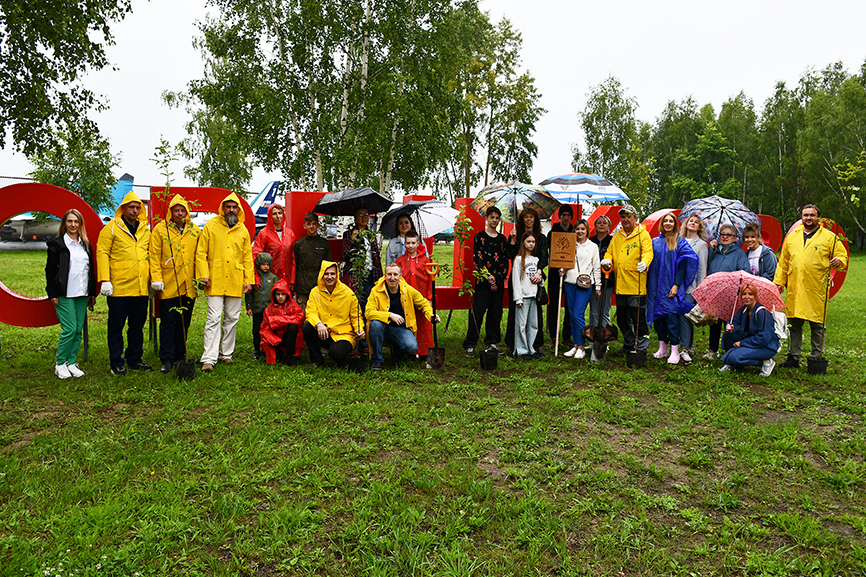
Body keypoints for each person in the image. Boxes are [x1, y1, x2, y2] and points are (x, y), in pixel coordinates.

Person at [773, 204, 848, 368]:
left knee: (817, 325)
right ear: (801, 217)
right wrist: (779, 282)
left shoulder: (829, 237)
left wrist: (839, 261)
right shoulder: (793, 236)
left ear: (818, 218)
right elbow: (783, 262)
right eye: (805, 215)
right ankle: (793, 357)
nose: (808, 218)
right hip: (795, 287)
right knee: (794, 324)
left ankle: (816, 356)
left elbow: (842, 256)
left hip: (816, 287)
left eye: (812, 215)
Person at [195, 192, 254, 372]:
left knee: (232, 318)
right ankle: (209, 358)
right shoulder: (211, 225)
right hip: (215, 279)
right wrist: (203, 274)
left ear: (238, 209)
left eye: (234, 207)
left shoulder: (243, 230)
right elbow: (201, 252)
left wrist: (248, 280)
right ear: (222, 208)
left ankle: (226, 354)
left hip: (236, 280)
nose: (231, 210)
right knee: (213, 318)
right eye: (228, 207)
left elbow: (247, 258)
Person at [96, 191, 152, 375]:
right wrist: (105, 279)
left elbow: (151, 256)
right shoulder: (111, 228)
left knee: (137, 327)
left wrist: (151, 281)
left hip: (140, 288)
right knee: (116, 327)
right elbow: (102, 252)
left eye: (138, 208)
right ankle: (116, 362)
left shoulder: (145, 229)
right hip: (118, 288)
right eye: (131, 207)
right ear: (123, 208)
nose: (135, 211)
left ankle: (134, 359)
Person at [149, 194, 200, 373]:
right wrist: (156, 278)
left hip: (188, 285)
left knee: (184, 322)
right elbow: (154, 255)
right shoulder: (160, 230)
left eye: (182, 210)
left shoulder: (194, 230)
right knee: (168, 323)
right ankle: (166, 358)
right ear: (170, 212)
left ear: (187, 211)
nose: (179, 213)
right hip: (169, 284)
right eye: (176, 210)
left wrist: (200, 277)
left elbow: (200, 255)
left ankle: (180, 355)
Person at [45, 209, 97, 379]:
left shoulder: (86, 244)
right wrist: (51, 292)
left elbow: (91, 270)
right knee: (69, 329)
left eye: (76, 221)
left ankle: (71, 362)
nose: (73, 225)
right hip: (64, 292)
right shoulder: (57, 245)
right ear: (64, 224)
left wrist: (92, 292)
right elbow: (50, 270)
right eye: (70, 221)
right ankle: (60, 363)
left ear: (80, 224)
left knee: (78, 330)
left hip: (82, 292)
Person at [601, 204, 653, 355]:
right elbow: (610, 252)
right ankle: (629, 344)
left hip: (636, 284)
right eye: (622, 217)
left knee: (638, 319)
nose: (625, 219)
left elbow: (648, 252)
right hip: (620, 284)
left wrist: (645, 262)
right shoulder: (617, 235)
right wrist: (607, 260)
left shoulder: (643, 235)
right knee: (622, 319)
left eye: (628, 216)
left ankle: (641, 347)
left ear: (635, 218)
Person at [647, 212, 698, 365]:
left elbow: (683, 265)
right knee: (659, 318)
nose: (668, 223)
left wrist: (676, 285)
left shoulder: (680, 242)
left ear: (675, 225)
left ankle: (675, 350)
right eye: (666, 221)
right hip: (655, 286)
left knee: (672, 318)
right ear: (661, 224)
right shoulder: (654, 242)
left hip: (671, 287)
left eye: (671, 221)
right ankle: (663, 348)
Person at [365, 262, 437, 370]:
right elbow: (369, 312)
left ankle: (397, 354)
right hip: (382, 328)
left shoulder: (407, 290)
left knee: (412, 347)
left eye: (395, 274)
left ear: (400, 276)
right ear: (385, 276)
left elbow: (423, 303)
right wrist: (390, 315)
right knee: (375, 325)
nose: (392, 278)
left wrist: (431, 314)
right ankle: (377, 360)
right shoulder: (376, 291)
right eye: (389, 274)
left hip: (400, 329)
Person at [462, 206, 509, 355]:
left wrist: (497, 279)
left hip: (498, 282)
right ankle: (471, 343)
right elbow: (478, 258)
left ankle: (492, 342)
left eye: (497, 217)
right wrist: (487, 277)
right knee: (478, 311)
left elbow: (505, 261)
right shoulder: (479, 237)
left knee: (495, 313)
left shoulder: (503, 239)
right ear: (486, 218)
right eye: (492, 217)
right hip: (483, 281)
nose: (494, 220)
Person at [303, 261, 365, 367]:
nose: (329, 277)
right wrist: (318, 324)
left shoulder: (348, 293)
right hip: (324, 331)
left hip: (343, 335)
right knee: (307, 328)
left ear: (337, 275)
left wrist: (359, 329)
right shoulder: (315, 292)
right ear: (322, 275)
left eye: (332, 274)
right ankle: (316, 359)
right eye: (326, 274)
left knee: (336, 354)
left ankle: (344, 360)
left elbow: (356, 315)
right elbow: (310, 312)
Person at [703, 223, 749, 360]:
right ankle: (713, 349)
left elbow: (744, 271)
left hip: (731, 293)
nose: (725, 237)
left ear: (735, 238)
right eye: (723, 234)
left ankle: (729, 350)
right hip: (715, 292)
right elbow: (705, 263)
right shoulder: (714, 250)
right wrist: (711, 249)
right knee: (714, 322)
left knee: (729, 324)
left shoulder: (739, 253)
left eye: (729, 235)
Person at [506, 207, 547, 355]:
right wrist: (512, 240)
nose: (528, 219)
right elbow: (510, 255)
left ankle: (534, 345)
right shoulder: (516, 236)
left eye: (531, 217)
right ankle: (516, 345)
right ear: (522, 219)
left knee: (534, 318)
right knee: (517, 317)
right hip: (519, 281)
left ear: (535, 219)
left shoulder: (541, 239)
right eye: (526, 217)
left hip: (535, 281)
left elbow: (543, 258)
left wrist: (539, 272)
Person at [561, 219, 602, 359]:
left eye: (582, 229)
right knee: (572, 315)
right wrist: (563, 270)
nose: (579, 231)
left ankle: (581, 346)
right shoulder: (569, 244)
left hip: (585, 284)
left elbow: (597, 267)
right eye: (577, 229)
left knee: (578, 314)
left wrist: (598, 286)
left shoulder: (593, 246)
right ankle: (575, 346)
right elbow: (564, 261)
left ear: (587, 231)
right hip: (569, 282)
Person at [719, 284, 779, 376]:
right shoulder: (744, 309)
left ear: (755, 296)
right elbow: (733, 322)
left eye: (750, 294)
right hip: (752, 341)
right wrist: (729, 327)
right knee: (728, 334)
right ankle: (734, 363)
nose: (746, 297)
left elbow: (763, 338)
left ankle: (766, 362)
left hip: (765, 346)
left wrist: (741, 343)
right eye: (744, 294)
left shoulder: (762, 313)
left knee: (734, 357)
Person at [395, 231, 433, 361]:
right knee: (408, 324)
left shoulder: (425, 260)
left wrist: (429, 298)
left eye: (413, 243)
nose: (410, 246)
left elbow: (429, 281)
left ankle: (424, 352)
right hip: (406, 299)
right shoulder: (400, 261)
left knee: (423, 325)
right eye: (408, 243)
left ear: (418, 243)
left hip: (421, 298)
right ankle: (409, 351)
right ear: (404, 244)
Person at [678, 215, 709, 363]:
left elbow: (702, 269)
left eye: (696, 222)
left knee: (685, 317)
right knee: (684, 316)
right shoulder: (679, 240)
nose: (693, 223)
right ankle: (688, 346)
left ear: (699, 227)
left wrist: (700, 291)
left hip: (691, 287)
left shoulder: (702, 245)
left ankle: (684, 348)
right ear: (686, 224)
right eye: (691, 220)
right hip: (677, 285)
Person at [341, 207, 383, 311]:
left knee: (368, 304)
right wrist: (353, 240)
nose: (364, 217)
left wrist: (380, 278)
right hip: (355, 276)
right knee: (355, 304)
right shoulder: (348, 234)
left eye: (366, 215)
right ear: (355, 218)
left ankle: (366, 326)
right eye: (360, 215)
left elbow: (376, 257)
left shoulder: (371, 235)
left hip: (371, 275)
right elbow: (346, 255)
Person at [546, 205, 574, 347]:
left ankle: (566, 336)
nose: (565, 217)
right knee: (554, 306)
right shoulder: (552, 233)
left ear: (571, 217)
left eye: (568, 215)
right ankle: (553, 337)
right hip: (554, 275)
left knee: (570, 307)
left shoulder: (574, 232)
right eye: (563, 215)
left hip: (570, 276)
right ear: (559, 216)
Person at [511, 232, 542, 360]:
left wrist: (540, 280)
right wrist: (518, 298)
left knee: (533, 324)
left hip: (534, 296)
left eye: (533, 242)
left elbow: (540, 278)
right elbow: (516, 280)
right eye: (528, 241)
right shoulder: (518, 260)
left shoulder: (536, 260)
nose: (531, 244)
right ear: (523, 242)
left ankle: (531, 348)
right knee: (521, 325)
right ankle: (520, 350)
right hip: (523, 296)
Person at [260, 279, 305, 366]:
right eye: (278, 294)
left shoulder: (293, 304)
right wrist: (273, 339)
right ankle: (279, 353)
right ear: (274, 294)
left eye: (283, 294)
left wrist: (278, 320)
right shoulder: (269, 309)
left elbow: (300, 317)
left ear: (287, 294)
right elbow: (264, 328)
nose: (280, 297)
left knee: (293, 327)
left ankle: (289, 357)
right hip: (276, 339)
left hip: (289, 337)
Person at [293, 212, 332, 311]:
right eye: (309, 224)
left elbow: (329, 266)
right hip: (303, 288)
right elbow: (295, 266)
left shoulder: (324, 244)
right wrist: (295, 287)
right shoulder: (299, 244)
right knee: (302, 317)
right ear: (304, 225)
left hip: (319, 287)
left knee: (320, 316)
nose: (311, 226)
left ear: (318, 225)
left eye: (314, 224)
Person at [245, 252, 279, 361]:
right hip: (257, 310)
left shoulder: (274, 278)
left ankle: (266, 350)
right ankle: (256, 351)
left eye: (268, 264)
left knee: (267, 332)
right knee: (256, 332)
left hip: (269, 312)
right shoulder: (255, 279)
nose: (266, 267)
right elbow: (249, 294)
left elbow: (277, 293)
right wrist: (249, 307)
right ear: (259, 264)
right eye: (263, 264)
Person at [251, 203, 295, 284]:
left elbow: (293, 259)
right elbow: (256, 257)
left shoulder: (290, 233)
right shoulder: (263, 234)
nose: (278, 216)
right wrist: (256, 277)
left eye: (280, 213)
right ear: (270, 216)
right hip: (269, 278)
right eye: (274, 214)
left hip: (287, 279)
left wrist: (292, 280)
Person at [588, 214, 614, 336]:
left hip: (607, 280)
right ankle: (593, 337)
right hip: (592, 280)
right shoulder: (590, 241)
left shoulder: (612, 241)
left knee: (604, 310)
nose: (601, 224)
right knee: (594, 310)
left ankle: (604, 337)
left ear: (609, 226)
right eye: (599, 222)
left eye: (604, 222)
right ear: (595, 226)